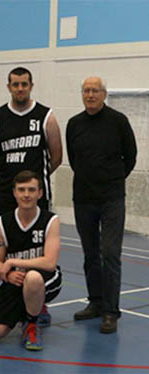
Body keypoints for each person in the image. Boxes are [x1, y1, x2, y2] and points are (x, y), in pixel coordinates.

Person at [0, 67, 62, 324]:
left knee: (34, 248)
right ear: (9, 87)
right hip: (4, 194)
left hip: (36, 195)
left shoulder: (45, 116)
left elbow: (56, 156)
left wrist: (33, 188)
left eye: (24, 84)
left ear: (31, 85)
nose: (20, 89)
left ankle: (38, 301)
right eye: (15, 84)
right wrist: (11, 185)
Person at [66, 76, 137, 334]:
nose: (91, 95)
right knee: (90, 254)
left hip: (112, 198)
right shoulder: (74, 124)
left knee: (109, 253)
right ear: (82, 95)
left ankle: (110, 311)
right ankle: (95, 303)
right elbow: (74, 159)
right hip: (83, 198)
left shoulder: (118, 121)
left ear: (104, 94)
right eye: (86, 91)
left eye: (95, 90)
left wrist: (111, 180)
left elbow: (130, 157)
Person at [0, 171, 62, 351]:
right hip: (15, 280)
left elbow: (49, 263)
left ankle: (31, 324)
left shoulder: (50, 220)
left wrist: (13, 263)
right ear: (14, 193)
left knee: (32, 278)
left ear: (40, 193)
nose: (26, 194)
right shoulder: (3, 222)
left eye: (31, 190)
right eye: (21, 190)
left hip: (45, 279)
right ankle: (25, 311)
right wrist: (6, 273)